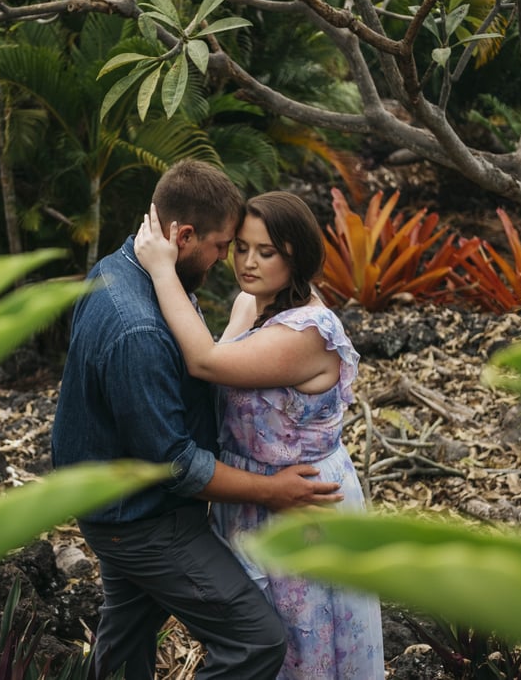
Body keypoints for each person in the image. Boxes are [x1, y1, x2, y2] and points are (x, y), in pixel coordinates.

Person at [50, 160, 344, 680]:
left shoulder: (121, 267)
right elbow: (178, 465)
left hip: (111, 502)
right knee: (255, 643)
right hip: (145, 520)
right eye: (223, 245)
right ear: (182, 236)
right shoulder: (138, 329)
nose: (227, 260)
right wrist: (269, 490)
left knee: (124, 649)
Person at [134, 190, 384, 679]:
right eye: (242, 247)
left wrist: (163, 270)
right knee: (260, 642)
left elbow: (206, 362)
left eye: (265, 252)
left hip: (302, 502)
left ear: (297, 256)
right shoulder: (252, 303)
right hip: (253, 495)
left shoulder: (308, 331)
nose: (248, 263)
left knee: (301, 647)